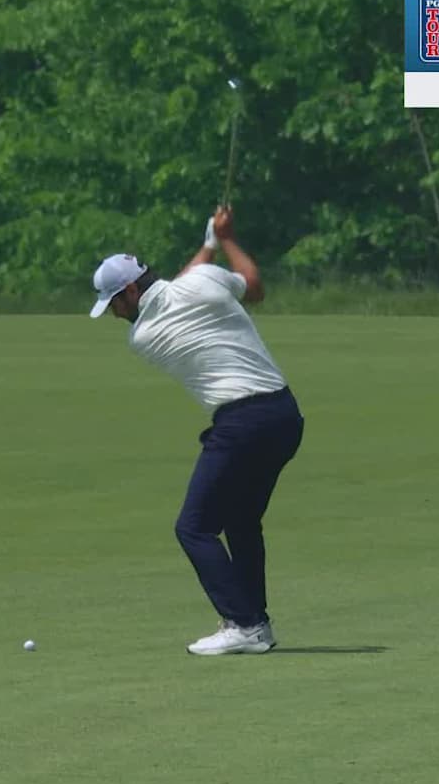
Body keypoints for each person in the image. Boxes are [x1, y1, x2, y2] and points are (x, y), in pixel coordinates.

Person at [89, 207, 305, 655]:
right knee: (241, 520)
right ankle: (256, 625)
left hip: (241, 424)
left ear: (130, 291)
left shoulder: (144, 336)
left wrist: (210, 244)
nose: (114, 314)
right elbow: (253, 287)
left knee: (193, 527)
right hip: (284, 416)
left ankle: (243, 623)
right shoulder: (202, 284)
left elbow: (179, 286)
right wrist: (224, 240)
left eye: (114, 303)